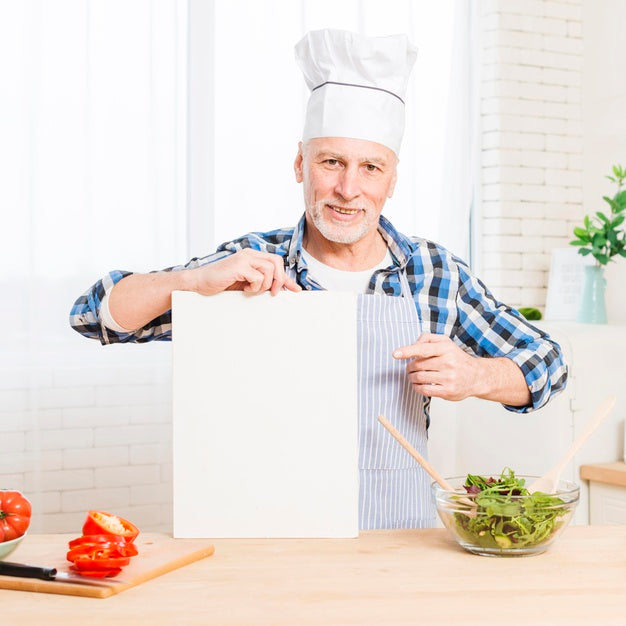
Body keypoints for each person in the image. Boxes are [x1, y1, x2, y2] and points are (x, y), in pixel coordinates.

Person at [70, 29, 567, 530]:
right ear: (299, 164)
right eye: (331, 162)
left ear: (392, 180)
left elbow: (547, 365)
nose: (348, 189)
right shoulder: (250, 261)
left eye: (371, 167)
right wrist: (196, 282)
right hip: (266, 528)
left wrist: (476, 376)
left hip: (394, 532)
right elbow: (96, 316)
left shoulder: (433, 272)